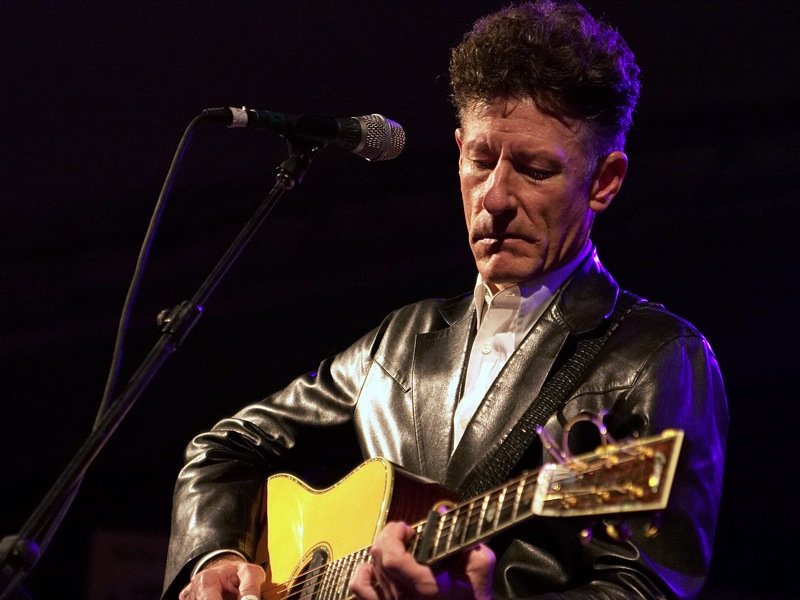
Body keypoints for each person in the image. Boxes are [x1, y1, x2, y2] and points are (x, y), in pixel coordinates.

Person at [163, 1, 728, 599]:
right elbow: (222, 451)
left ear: (604, 181)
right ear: (458, 150)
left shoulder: (656, 356)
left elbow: (643, 589)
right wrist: (217, 558)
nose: (495, 198)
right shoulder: (401, 340)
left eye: (536, 170)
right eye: (480, 161)